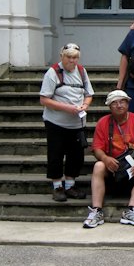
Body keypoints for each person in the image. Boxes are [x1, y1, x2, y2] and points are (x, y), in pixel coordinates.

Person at [82, 90, 134, 229]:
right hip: (113, 168)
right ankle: (96, 210)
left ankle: (132, 209)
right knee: (98, 166)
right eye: (114, 103)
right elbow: (97, 148)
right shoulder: (104, 122)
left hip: (133, 169)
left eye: (122, 101)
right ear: (110, 107)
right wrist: (105, 158)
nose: (119, 105)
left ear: (128, 103)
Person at [39, 43, 93, 202]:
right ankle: (57, 187)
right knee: (55, 154)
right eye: (68, 57)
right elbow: (44, 99)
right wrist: (66, 108)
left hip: (77, 123)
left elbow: (89, 94)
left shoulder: (82, 71)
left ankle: (70, 185)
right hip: (56, 123)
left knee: (76, 156)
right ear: (62, 56)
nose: (72, 60)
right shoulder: (52, 73)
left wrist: (85, 105)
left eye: (75, 57)